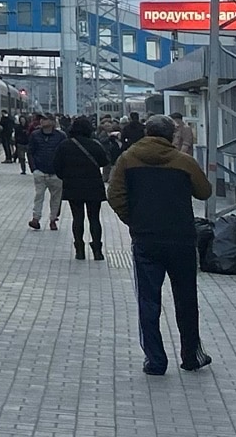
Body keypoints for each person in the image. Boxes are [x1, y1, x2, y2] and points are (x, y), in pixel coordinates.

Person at [107, 113, 215, 375]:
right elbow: (204, 191)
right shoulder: (183, 161)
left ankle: (155, 360)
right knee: (186, 298)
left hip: (146, 239)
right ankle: (191, 355)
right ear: (170, 135)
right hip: (181, 239)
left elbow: (114, 195)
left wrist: (133, 220)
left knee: (148, 300)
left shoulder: (127, 159)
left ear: (147, 132)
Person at [56, 115, 111, 261]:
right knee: (94, 218)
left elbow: (57, 167)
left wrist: (67, 177)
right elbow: (104, 161)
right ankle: (97, 251)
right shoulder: (95, 145)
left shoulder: (64, 145)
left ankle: (79, 250)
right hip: (93, 186)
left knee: (77, 218)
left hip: (73, 186)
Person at [27, 114, 65, 231]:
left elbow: (64, 153)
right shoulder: (35, 135)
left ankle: (53, 219)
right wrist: (34, 169)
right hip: (40, 172)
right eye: (42, 119)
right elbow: (30, 152)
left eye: (46, 119)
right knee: (39, 195)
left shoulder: (61, 136)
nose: (42, 121)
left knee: (56, 198)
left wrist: (62, 170)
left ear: (53, 122)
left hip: (56, 173)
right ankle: (36, 219)